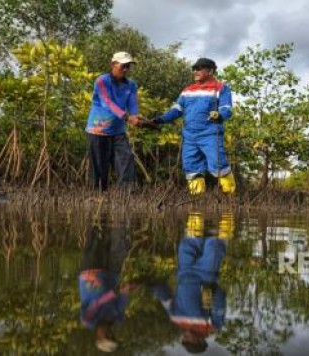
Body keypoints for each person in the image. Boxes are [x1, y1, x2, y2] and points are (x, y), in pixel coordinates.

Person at [150, 212, 233, 353]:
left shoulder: (176, 318)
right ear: (201, 341)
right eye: (190, 341)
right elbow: (219, 303)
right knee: (215, 244)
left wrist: (150, 285)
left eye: (185, 340)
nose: (186, 337)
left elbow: (164, 297)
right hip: (207, 274)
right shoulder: (212, 326)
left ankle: (198, 208)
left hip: (184, 270)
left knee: (187, 243)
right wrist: (213, 291)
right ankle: (228, 209)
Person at [152, 58, 236, 195]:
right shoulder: (187, 91)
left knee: (218, 165)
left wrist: (219, 115)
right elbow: (176, 110)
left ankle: (229, 197)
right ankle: (197, 200)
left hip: (210, 134)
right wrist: (159, 120)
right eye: (194, 69)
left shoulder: (220, 88)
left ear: (210, 71)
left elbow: (227, 108)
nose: (195, 71)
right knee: (191, 167)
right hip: (189, 136)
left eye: (199, 68)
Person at [85, 51, 143, 191]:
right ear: (113, 64)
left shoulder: (131, 85)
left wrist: (135, 116)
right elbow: (107, 103)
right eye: (123, 66)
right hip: (98, 130)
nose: (126, 69)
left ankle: (128, 194)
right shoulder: (102, 81)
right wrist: (127, 117)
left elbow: (132, 104)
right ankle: (97, 196)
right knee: (99, 166)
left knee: (126, 159)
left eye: (128, 66)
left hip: (118, 130)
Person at [78, 219, 138, 353]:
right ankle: (122, 213)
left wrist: (115, 293)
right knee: (122, 239)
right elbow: (123, 297)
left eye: (107, 336)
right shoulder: (117, 317)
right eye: (112, 336)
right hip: (112, 272)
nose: (110, 333)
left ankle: (98, 209)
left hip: (90, 273)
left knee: (94, 231)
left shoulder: (87, 320)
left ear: (98, 337)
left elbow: (95, 304)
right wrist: (129, 288)